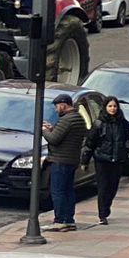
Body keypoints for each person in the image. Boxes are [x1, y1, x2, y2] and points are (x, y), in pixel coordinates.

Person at [85, 96, 129, 226]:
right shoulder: (99, 123)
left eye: (114, 106)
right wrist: (85, 160)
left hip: (117, 159)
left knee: (113, 187)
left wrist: (127, 149)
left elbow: (128, 138)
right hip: (102, 159)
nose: (112, 109)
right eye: (110, 106)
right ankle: (102, 214)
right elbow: (90, 142)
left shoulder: (123, 124)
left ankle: (106, 207)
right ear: (105, 107)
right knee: (103, 186)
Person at [40, 93, 86, 232]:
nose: (56, 110)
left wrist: (44, 131)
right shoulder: (78, 118)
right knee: (68, 191)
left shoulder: (66, 120)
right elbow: (66, 136)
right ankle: (69, 219)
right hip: (72, 159)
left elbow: (54, 139)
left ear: (63, 105)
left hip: (60, 160)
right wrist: (52, 128)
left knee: (58, 191)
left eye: (57, 106)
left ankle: (60, 220)